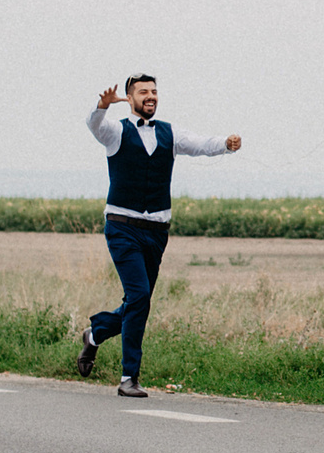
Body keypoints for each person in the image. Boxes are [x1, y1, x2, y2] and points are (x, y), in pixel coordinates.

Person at [79, 75, 241, 397]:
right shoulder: (116, 131)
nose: (150, 96)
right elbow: (95, 125)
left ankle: (95, 333)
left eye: (154, 91)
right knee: (138, 297)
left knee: (138, 302)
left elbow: (200, 145)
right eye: (143, 92)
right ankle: (129, 378)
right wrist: (102, 106)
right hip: (123, 227)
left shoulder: (170, 132)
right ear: (129, 97)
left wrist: (225, 144)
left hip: (156, 233)